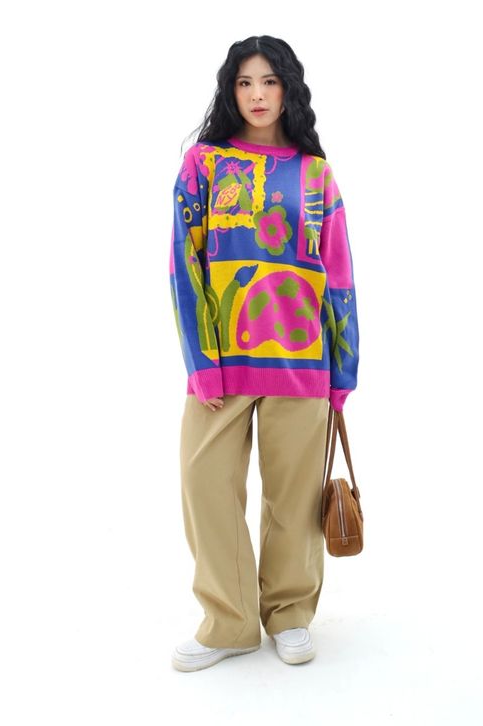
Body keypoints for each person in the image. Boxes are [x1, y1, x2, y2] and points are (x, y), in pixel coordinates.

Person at [168, 35, 360, 672]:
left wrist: (343, 369)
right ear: (231, 91)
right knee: (205, 488)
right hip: (221, 364)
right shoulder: (203, 164)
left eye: (269, 81)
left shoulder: (315, 174)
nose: (256, 94)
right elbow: (185, 266)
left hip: (302, 363)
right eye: (245, 82)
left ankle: (290, 614)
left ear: (288, 90)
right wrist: (201, 361)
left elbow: (339, 276)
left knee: (293, 499)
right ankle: (228, 622)